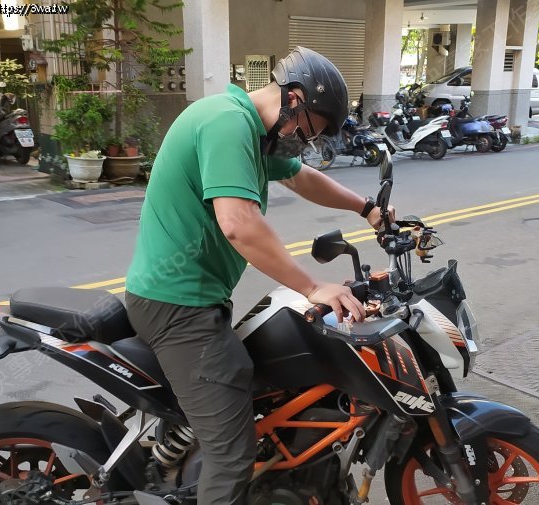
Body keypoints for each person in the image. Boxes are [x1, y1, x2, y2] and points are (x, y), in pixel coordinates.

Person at [124, 46, 395, 504]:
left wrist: (367, 208)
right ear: (294, 100)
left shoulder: (251, 132)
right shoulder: (227, 123)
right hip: (177, 307)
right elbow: (239, 223)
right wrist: (313, 286)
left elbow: (301, 177)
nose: (307, 142)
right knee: (232, 456)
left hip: (196, 299)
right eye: (310, 130)